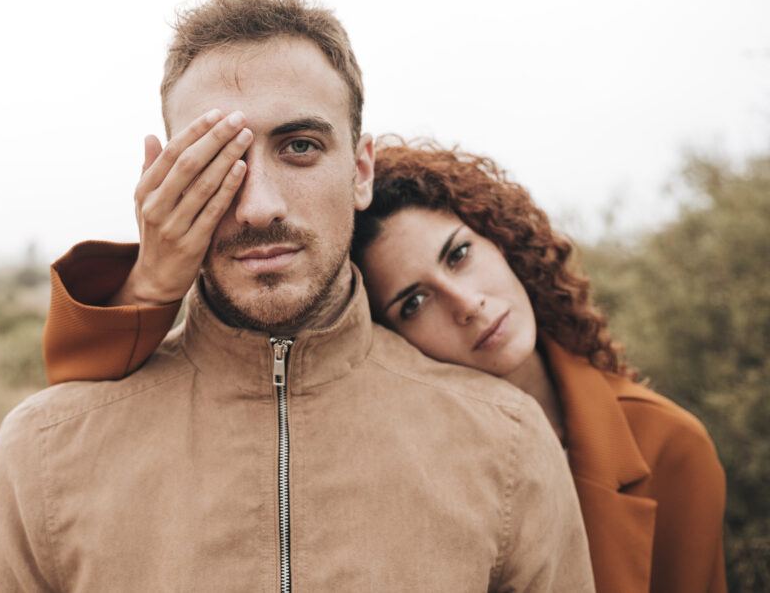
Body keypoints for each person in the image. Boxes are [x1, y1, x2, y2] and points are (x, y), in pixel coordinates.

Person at [0, 0, 595, 591]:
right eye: (217, 157)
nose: (258, 206)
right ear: (164, 175)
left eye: (300, 146)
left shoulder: (508, 443)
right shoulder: (38, 454)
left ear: (361, 169)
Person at [41, 138, 728, 593]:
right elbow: (76, 401)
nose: (464, 304)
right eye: (413, 301)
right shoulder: (396, 454)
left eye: (458, 253)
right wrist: (151, 283)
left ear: (505, 240)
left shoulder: (669, 447)